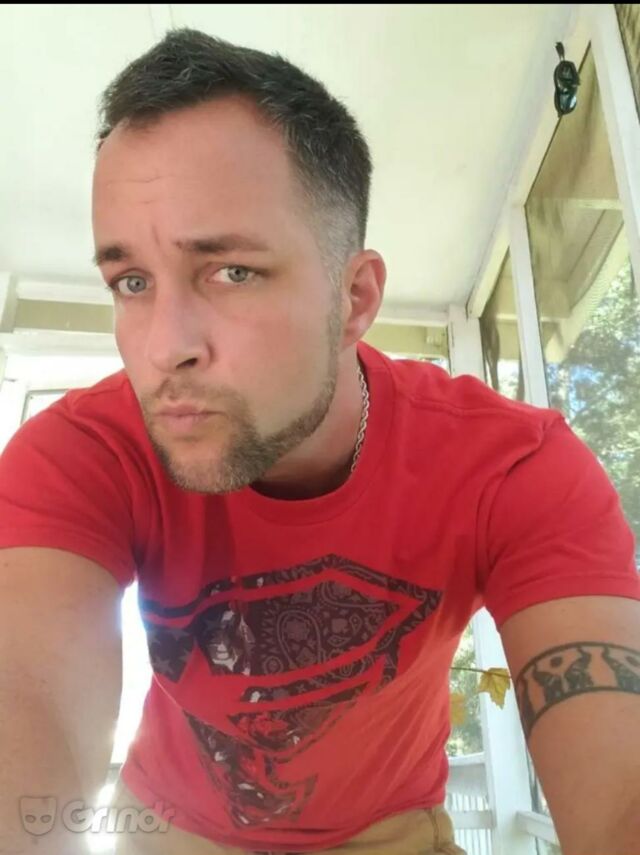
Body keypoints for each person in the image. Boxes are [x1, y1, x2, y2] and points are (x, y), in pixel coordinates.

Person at [1, 27, 639, 855]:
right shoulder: (82, 456)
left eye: (231, 271)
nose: (163, 346)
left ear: (356, 298)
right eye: (132, 281)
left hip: (390, 833)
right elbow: (26, 703)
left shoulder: (512, 468)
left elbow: (619, 789)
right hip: (169, 828)